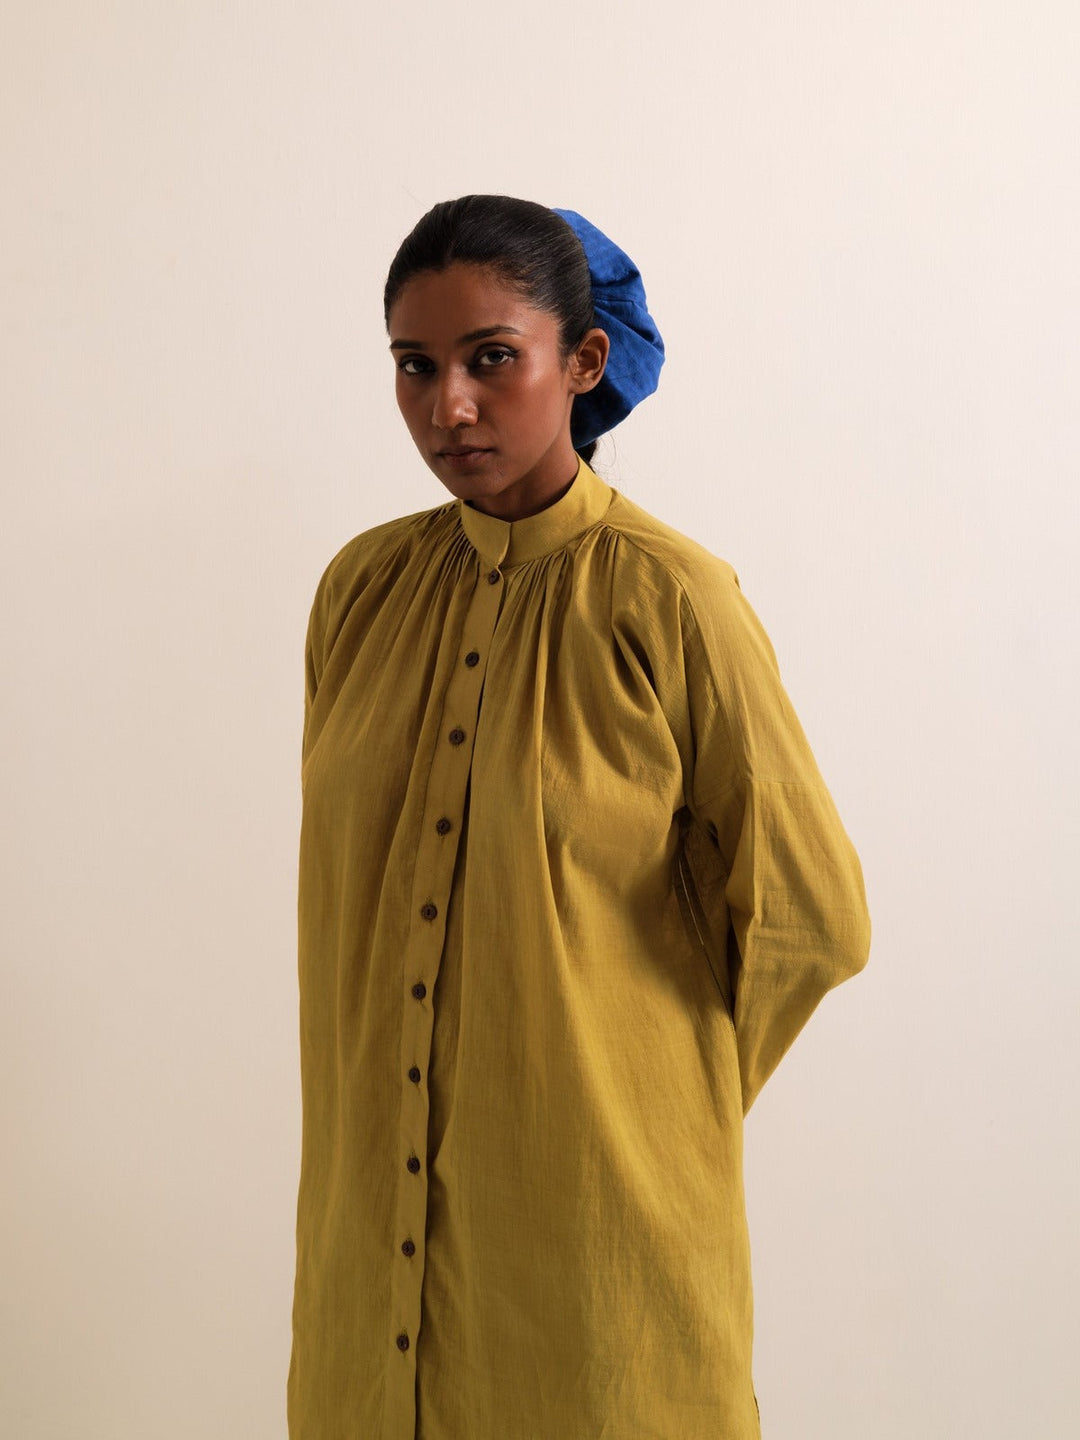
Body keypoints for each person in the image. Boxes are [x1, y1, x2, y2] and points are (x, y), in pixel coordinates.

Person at [288, 194, 871, 1440]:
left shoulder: (674, 602)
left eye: (491, 358)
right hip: (364, 1260)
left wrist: (643, 1092)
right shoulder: (360, 593)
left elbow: (812, 917)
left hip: (595, 1258)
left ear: (585, 360)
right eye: (415, 366)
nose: (449, 406)